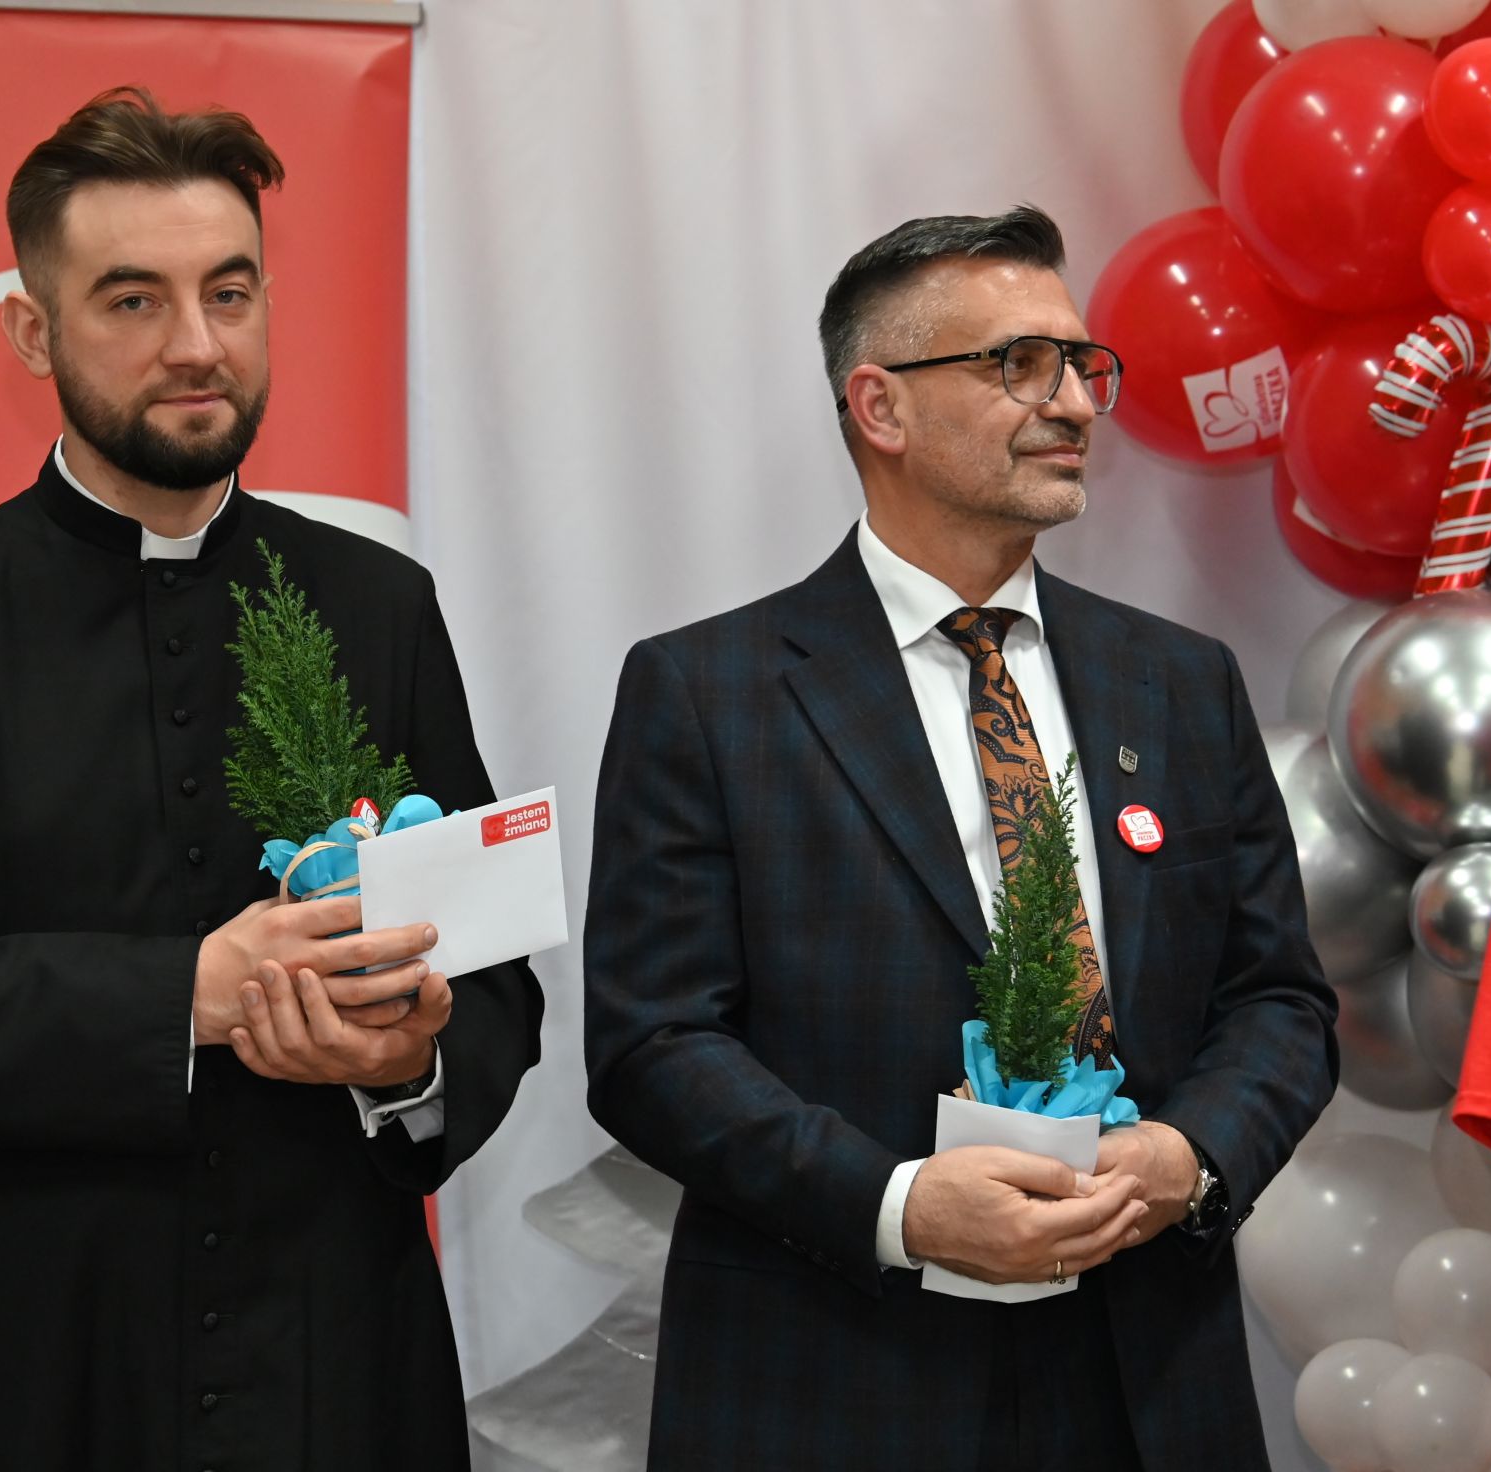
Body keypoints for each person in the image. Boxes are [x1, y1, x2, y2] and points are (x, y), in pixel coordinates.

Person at [0, 88, 543, 1471]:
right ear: (34, 332)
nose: (196, 345)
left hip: (322, 1360)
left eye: (228, 293)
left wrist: (406, 1059)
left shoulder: (377, 602)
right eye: (132, 300)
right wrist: (191, 991)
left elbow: (490, 982)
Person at [583, 206, 1337, 1471]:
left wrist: (1188, 1153)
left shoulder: (1178, 680)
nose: (1072, 403)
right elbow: (653, 1043)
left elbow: (1277, 997)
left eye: (1079, 364)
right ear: (877, 406)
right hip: (837, 1371)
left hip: (1146, 1374)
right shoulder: (709, 692)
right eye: (1017, 365)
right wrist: (900, 1205)